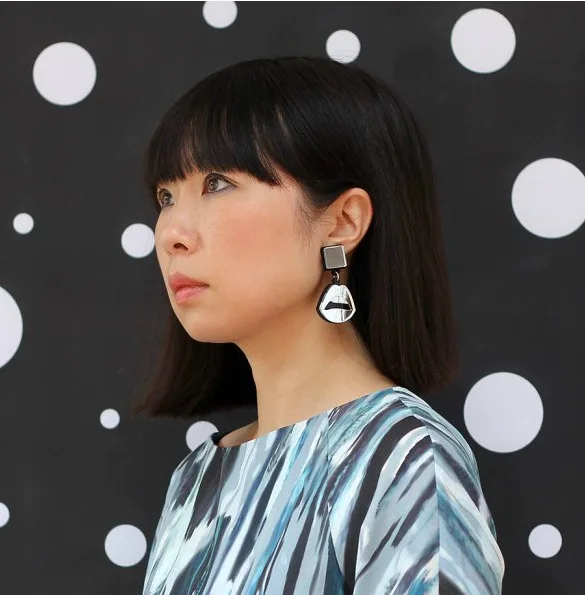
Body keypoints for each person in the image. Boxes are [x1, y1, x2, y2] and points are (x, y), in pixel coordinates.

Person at [134, 55, 505, 594]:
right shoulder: (195, 479)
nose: (171, 234)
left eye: (217, 183)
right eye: (166, 197)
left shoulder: (402, 458)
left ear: (343, 222)